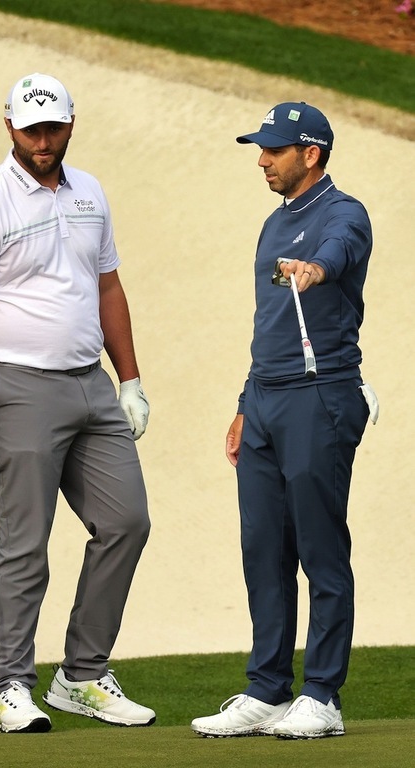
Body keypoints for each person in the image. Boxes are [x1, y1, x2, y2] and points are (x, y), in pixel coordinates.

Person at [0, 72, 155, 733]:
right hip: (13, 388)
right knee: (26, 542)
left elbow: (108, 288)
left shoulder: (90, 192)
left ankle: (82, 675)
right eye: (31, 129)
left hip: (89, 383)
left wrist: (130, 379)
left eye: (53, 127)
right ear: (10, 126)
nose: (43, 140)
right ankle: (11, 689)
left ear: (69, 124)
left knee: (127, 522)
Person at [191, 102, 375, 740]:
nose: (262, 159)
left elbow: (338, 252)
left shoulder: (344, 213)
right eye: (260, 148)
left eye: (273, 149)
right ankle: (268, 689)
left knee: (320, 547)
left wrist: (315, 270)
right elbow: (265, 328)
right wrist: (246, 403)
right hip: (266, 399)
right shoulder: (272, 225)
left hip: (320, 394)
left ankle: (322, 695)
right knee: (263, 548)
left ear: (311, 154)